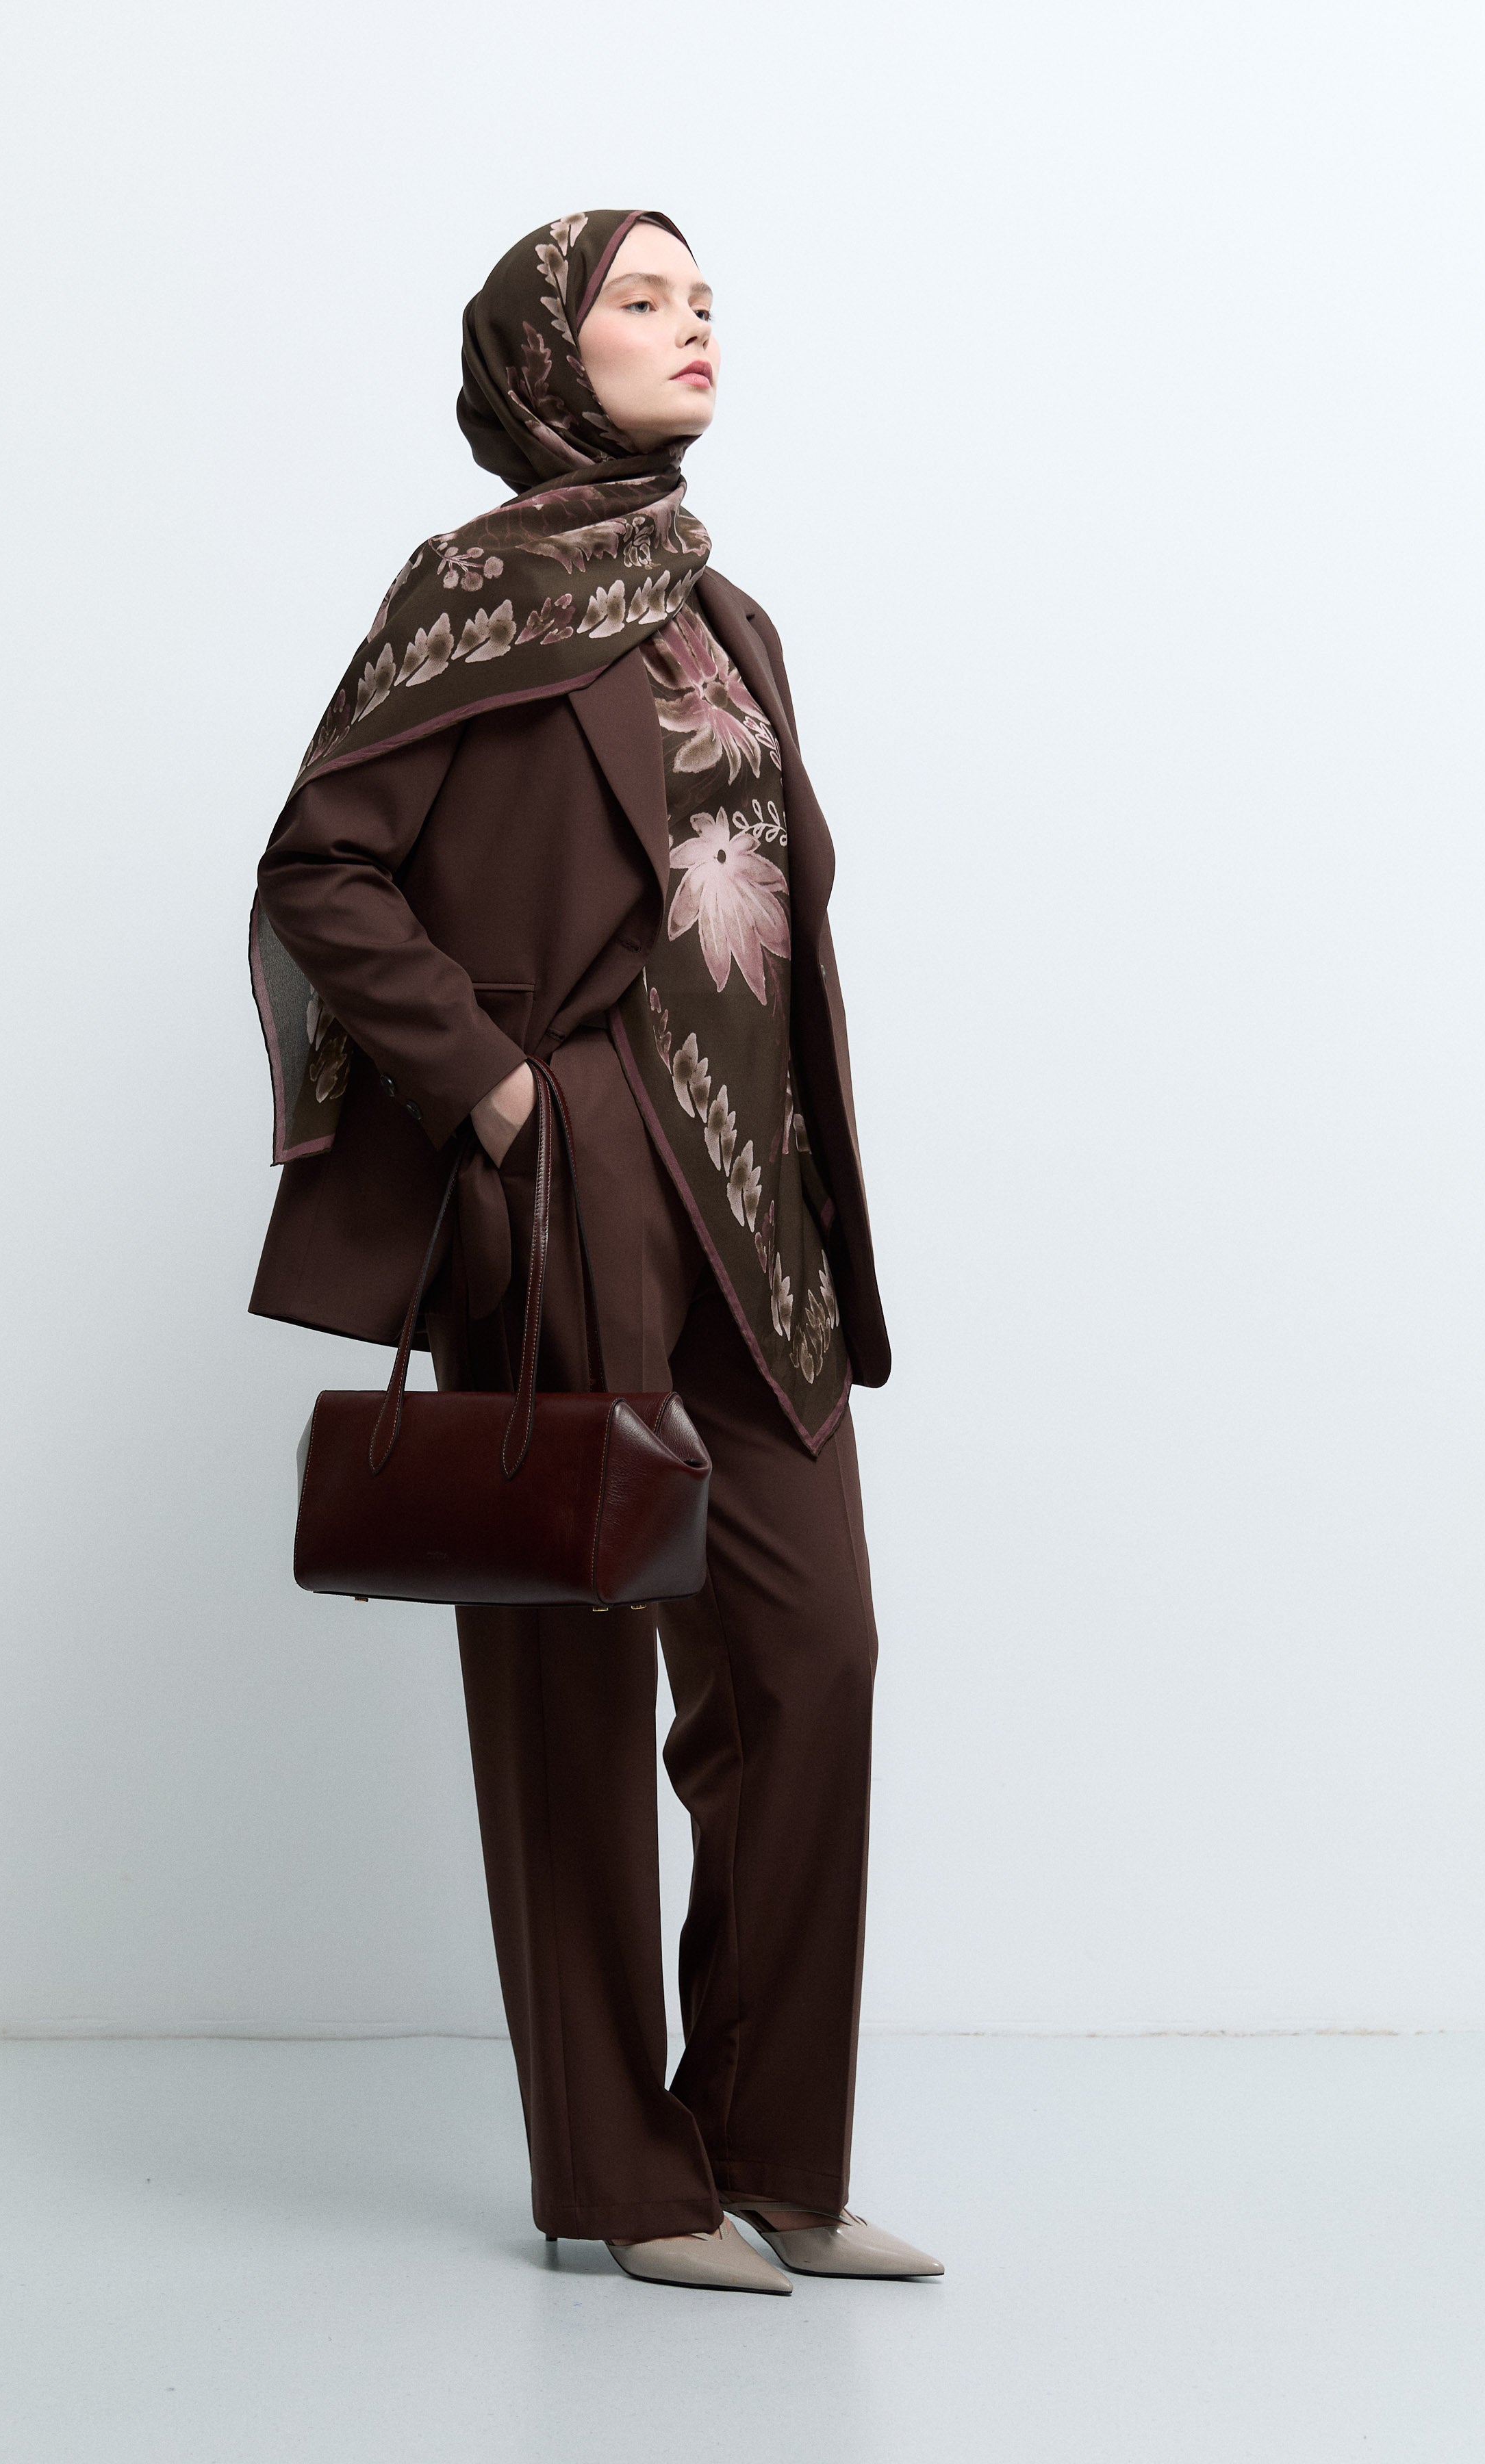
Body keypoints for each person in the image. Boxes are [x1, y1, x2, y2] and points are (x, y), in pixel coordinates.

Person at [249, 209, 941, 2295]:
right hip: (578, 1178)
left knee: (812, 1658)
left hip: (761, 1198)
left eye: (703, 296)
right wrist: (493, 1090)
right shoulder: (469, 593)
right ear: (547, 354)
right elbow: (321, 866)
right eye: (644, 298)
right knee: (570, 1662)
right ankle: (619, 2182)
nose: (691, 323)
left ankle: (773, 2156)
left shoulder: (727, 609)